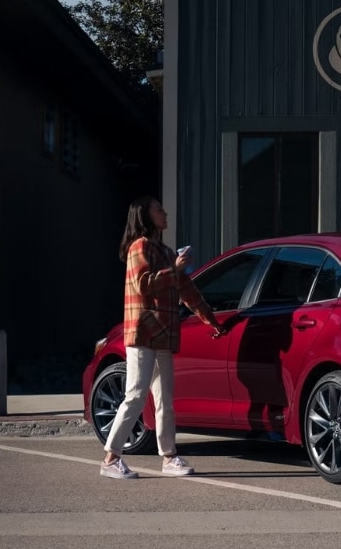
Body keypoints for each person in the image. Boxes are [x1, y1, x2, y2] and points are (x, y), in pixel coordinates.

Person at [101, 196, 225, 480]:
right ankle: (110, 458)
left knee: (165, 400)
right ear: (146, 215)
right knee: (135, 395)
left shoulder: (167, 252)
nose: (165, 212)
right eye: (159, 209)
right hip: (143, 333)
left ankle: (169, 457)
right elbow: (143, 284)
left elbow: (188, 292)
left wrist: (211, 320)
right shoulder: (139, 246)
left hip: (164, 336)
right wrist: (176, 269)